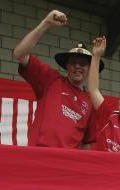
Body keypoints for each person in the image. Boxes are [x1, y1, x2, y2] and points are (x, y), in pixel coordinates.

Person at [13, 10, 98, 149]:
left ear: (89, 69)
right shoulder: (51, 80)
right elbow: (19, 54)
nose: (77, 66)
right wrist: (46, 24)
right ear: (66, 66)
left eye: (83, 63)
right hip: (40, 158)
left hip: (69, 166)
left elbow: (87, 142)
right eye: (73, 62)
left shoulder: (90, 102)